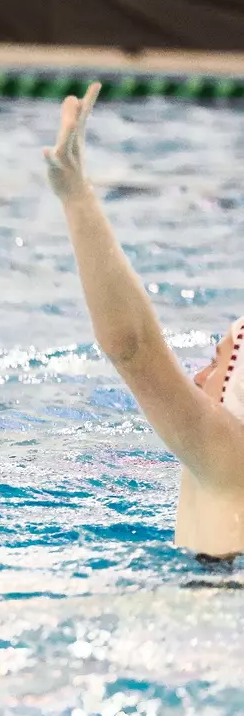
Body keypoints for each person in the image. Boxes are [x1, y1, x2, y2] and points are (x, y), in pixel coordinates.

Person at [45, 83, 244, 558]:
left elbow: (131, 345)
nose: (199, 376)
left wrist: (76, 197)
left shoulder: (228, 454)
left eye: (219, 365)